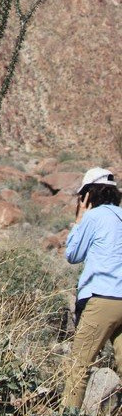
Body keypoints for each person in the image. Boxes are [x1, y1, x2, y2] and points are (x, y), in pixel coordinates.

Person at [62, 167, 122, 410]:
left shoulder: (93, 218)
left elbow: (73, 255)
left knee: (79, 367)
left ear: (88, 195)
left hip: (102, 300)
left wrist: (78, 221)